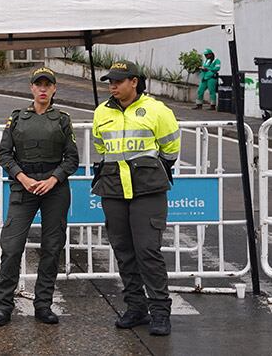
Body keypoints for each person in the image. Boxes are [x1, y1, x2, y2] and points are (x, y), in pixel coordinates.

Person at [92, 61, 181, 337]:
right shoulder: (101, 113)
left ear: (134, 81)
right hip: (114, 190)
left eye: (118, 81)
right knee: (124, 252)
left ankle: (160, 312)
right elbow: (101, 148)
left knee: (148, 252)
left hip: (147, 190)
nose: (113, 86)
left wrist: (151, 171)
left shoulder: (156, 110)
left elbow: (171, 147)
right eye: (110, 82)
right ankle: (136, 307)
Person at [0, 67, 79, 327]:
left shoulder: (62, 119)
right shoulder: (17, 118)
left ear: (54, 89)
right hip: (23, 186)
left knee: (51, 248)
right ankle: (3, 306)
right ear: (31, 88)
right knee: (12, 247)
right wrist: (23, 178)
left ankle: (43, 305)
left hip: (54, 188)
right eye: (38, 84)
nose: (42, 89)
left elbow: (72, 158)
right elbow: (4, 155)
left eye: (47, 85)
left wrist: (53, 179)